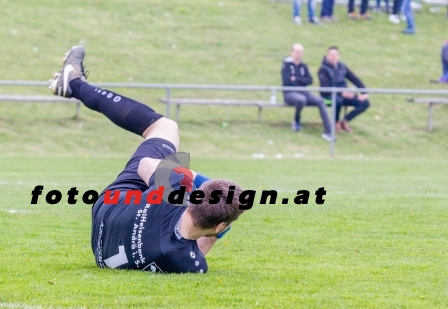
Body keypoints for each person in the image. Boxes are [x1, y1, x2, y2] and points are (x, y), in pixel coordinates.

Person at [49, 46, 246, 274]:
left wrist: (190, 177)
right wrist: (219, 227)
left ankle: (75, 84)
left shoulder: (174, 188)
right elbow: (197, 250)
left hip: (112, 209)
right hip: (104, 246)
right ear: (220, 225)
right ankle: (73, 84)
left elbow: (145, 165)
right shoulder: (191, 264)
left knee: (164, 127)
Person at [281, 43, 333, 141]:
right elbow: (287, 81)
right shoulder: (286, 66)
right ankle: (296, 120)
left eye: (300, 52)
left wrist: (296, 79)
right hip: (290, 93)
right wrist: (300, 81)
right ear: (291, 52)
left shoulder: (303, 66)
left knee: (320, 101)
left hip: (304, 92)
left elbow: (309, 80)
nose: (298, 54)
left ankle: (329, 131)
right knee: (301, 100)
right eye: (296, 52)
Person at [318, 46, 370, 133]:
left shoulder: (342, 67)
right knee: (338, 100)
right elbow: (325, 88)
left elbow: (354, 79)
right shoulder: (323, 69)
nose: (333, 57)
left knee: (365, 103)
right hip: (328, 96)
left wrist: (364, 92)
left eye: (335, 55)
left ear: (339, 56)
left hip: (344, 94)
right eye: (331, 55)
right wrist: (342, 92)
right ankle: (335, 122)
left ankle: (344, 121)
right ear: (327, 56)